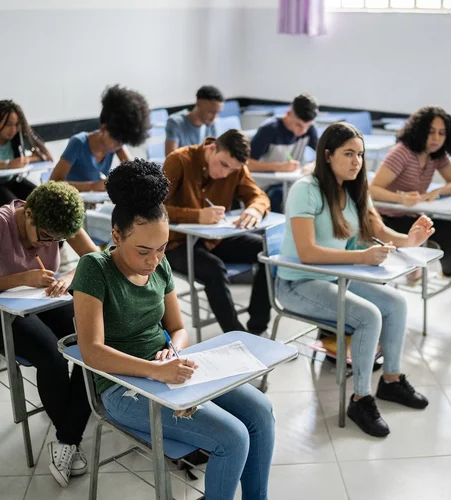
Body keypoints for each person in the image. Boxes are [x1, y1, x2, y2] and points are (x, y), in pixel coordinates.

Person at [71, 159, 275, 500]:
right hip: (120, 387)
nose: (154, 260)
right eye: (143, 251)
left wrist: (173, 352)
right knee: (234, 438)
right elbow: (91, 351)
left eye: (162, 248)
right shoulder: (94, 268)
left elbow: (178, 328)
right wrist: (156, 370)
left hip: (166, 369)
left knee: (262, 412)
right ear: (116, 236)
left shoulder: (160, 263)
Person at [276, 122, 435, 437]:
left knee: (396, 304)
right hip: (298, 283)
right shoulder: (306, 189)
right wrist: (360, 257)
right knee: (368, 316)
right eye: (348, 154)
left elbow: (379, 232)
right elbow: (307, 252)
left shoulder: (355, 187)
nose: (356, 162)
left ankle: (391, 381)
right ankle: (361, 398)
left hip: (336, 277)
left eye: (360, 155)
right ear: (328, 154)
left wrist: (409, 239)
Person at [0, 181, 100, 488]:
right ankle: (69, 432)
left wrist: (68, 277)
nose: (46, 244)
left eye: (57, 241)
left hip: (42, 299)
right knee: (51, 357)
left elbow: (93, 258)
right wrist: (21, 278)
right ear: (29, 214)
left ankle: (65, 439)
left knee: (92, 340)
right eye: (45, 237)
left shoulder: (59, 217)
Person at [163, 130, 272, 335]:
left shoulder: (235, 168)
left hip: (214, 240)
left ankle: (257, 329)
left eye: (232, 170)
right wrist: (196, 216)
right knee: (214, 268)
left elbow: (259, 196)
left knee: (266, 250)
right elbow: (153, 208)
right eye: (223, 165)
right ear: (211, 148)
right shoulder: (178, 160)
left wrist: (254, 209)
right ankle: (237, 335)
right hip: (176, 244)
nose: (225, 173)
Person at [369, 106, 451, 283]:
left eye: (441, 133)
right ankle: (450, 274)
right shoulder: (402, 153)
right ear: (419, 131)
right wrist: (401, 199)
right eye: (431, 132)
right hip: (390, 218)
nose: (436, 138)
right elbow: (372, 190)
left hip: (414, 216)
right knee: (448, 231)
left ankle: (433, 252)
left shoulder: (436, 155)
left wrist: (438, 191)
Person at [49, 85, 150, 192]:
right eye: (116, 140)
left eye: (122, 142)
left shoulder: (117, 144)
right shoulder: (78, 143)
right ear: (103, 129)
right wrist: (93, 186)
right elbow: (53, 183)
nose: (118, 146)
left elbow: (134, 171)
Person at [0, 100, 53, 210]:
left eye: (17, 125)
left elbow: (47, 157)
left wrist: (27, 156)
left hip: (9, 182)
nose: (13, 129)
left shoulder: (17, 136)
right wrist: (8, 164)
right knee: (18, 208)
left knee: (43, 199)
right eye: (8, 124)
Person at [249, 94, 319, 212]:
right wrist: (279, 167)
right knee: (282, 196)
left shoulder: (309, 130)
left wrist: (312, 166)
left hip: (291, 182)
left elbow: (325, 155)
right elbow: (246, 164)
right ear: (288, 113)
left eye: (307, 126)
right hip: (266, 186)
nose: (303, 131)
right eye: (298, 125)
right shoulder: (269, 129)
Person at [164, 85, 224, 156]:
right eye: (211, 112)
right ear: (198, 103)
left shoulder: (212, 124)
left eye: (217, 113)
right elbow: (170, 159)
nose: (214, 117)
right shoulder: (175, 122)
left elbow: (216, 155)